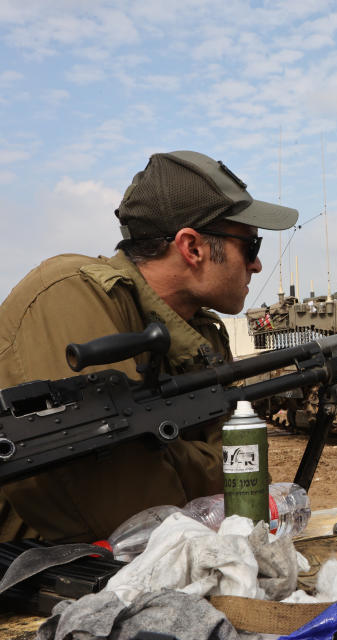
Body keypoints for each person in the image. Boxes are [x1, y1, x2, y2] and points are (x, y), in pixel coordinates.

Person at [0, 150, 298, 543]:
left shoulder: (201, 330)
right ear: (192, 247)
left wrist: (165, 452)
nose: (256, 266)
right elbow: (132, 510)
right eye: (251, 246)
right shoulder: (71, 295)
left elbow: (247, 484)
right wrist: (193, 464)